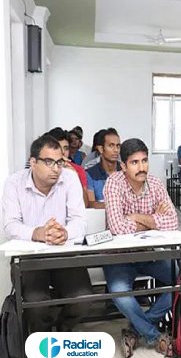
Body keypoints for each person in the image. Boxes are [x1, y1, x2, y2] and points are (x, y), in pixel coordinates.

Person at [2, 135, 92, 332]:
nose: (56, 168)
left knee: (83, 298)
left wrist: (65, 233)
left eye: (60, 162)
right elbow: (10, 225)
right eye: (49, 162)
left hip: (64, 253)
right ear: (33, 163)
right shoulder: (14, 183)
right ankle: (42, 333)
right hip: (29, 259)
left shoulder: (69, 178)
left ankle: (62, 328)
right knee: (36, 303)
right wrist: (38, 232)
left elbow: (79, 220)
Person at [103, 138, 179, 358]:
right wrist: (155, 218)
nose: (141, 167)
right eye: (134, 162)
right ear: (123, 166)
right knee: (120, 293)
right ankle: (154, 336)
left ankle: (135, 332)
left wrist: (136, 218)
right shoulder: (114, 183)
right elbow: (117, 227)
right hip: (119, 257)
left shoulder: (155, 184)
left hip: (148, 254)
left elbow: (173, 221)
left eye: (144, 160)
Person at [46, 127, 90, 207]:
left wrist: (75, 177)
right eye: (58, 147)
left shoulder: (78, 170)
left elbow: (85, 204)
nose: (63, 152)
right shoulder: (44, 168)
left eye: (66, 148)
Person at [86, 128, 121, 208]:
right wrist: (113, 206)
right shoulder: (90, 174)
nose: (116, 150)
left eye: (118, 146)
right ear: (101, 149)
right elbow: (91, 204)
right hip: (99, 218)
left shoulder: (125, 172)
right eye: (111, 146)